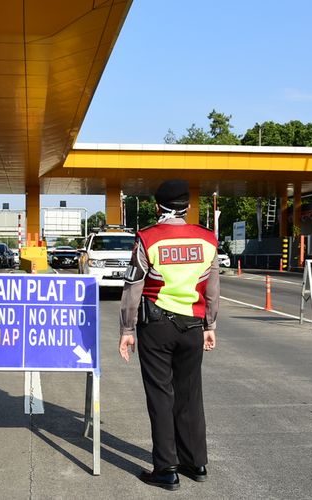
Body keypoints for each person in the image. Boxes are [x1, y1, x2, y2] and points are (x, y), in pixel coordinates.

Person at [118, 179, 219, 491]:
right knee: (190, 395)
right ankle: (196, 463)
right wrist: (210, 325)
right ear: (187, 207)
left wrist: (127, 329)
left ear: (156, 206)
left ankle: (167, 469)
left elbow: (133, 287)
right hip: (193, 326)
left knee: (161, 396)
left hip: (157, 327)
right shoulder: (207, 239)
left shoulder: (148, 238)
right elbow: (213, 288)